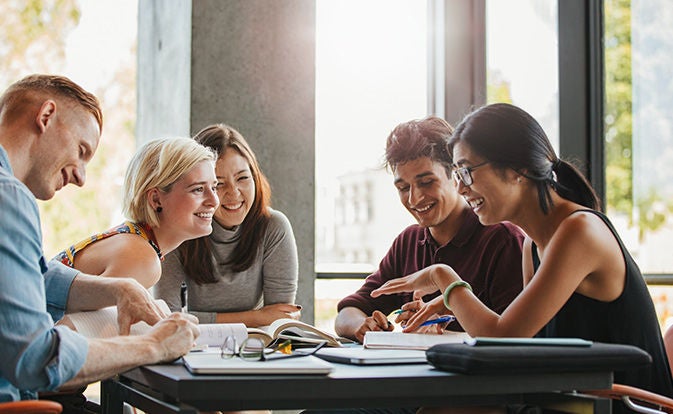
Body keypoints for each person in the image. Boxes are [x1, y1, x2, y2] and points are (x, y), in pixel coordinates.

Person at [372, 103, 673, 412]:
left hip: (623, 406)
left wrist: (443, 279)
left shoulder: (579, 231)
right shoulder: (533, 244)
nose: (461, 187)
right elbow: (521, 346)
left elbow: (502, 337)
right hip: (573, 401)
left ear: (518, 170)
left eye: (466, 171)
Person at [0, 74, 199, 406]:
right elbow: (36, 359)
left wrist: (118, 289)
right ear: (46, 116)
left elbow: (33, 277)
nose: (80, 176)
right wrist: (153, 345)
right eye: (81, 151)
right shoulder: (9, 197)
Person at [335, 116, 525, 343]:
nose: (414, 198)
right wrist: (362, 326)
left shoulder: (503, 240)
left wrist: (442, 330)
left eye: (426, 182)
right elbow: (347, 313)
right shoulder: (408, 242)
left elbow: (513, 339)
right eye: (403, 188)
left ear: (456, 175)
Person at [155, 123, 300, 327]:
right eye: (219, 184)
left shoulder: (273, 227)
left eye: (242, 178)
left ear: (255, 177)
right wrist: (256, 317)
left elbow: (280, 318)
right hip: (193, 347)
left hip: (256, 348)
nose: (233, 193)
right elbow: (167, 318)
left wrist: (262, 319)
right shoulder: (179, 229)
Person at [53, 137, 219, 289]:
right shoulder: (141, 259)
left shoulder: (136, 241)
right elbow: (74, 321)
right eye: (198, 189)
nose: (214, 201)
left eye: (214, 187)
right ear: (156, 199)